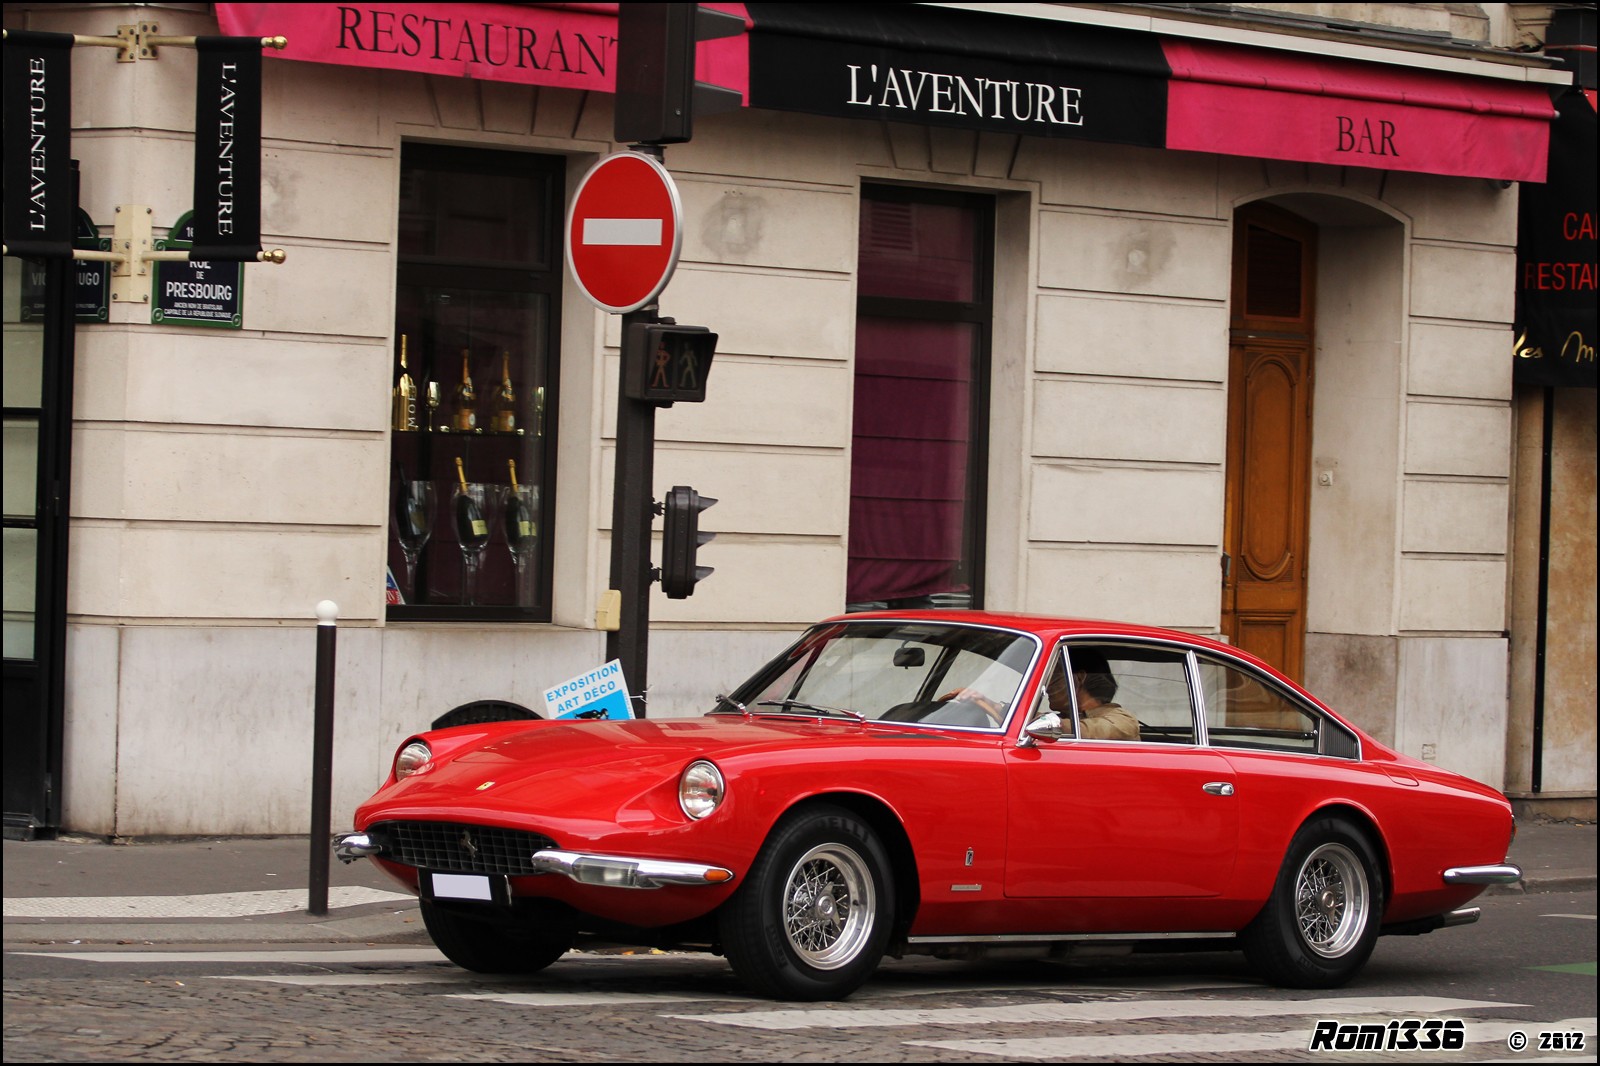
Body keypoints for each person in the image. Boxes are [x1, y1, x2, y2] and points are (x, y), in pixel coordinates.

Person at [1041, 647, 1140, 741]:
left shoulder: (1124, 721)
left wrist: (1041, 722)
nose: (1047, 686)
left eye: (1054, 677)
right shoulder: (1063, 718)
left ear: (1079, 678)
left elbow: (1088, 731)